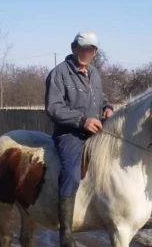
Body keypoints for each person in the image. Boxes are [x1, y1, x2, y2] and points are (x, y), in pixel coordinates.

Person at [45, 30, 114, 247]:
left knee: (114, 164)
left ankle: (120, 215)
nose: (86, 53)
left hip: (94, 131)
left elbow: (100, 97)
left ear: (95, 51)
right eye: (82, 48)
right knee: (72, 173)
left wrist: (108, 107)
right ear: (74, 47)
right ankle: (66, 233)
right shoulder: (59, 73)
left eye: (91, 49)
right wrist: (81, 120)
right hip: (69, 133)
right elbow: (53, 108)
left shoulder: (94, 73)